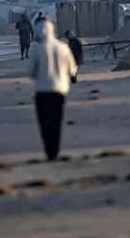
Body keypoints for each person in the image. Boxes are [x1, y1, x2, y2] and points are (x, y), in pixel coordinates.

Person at [27, 20, 78, 160]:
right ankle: (55, 150)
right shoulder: (63, 47)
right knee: (56, 121)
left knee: (44, 122)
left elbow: (30, 72)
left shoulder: (36, 50)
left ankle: (49, 151)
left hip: (42, 91)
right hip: (59, 90)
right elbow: (72, 70)